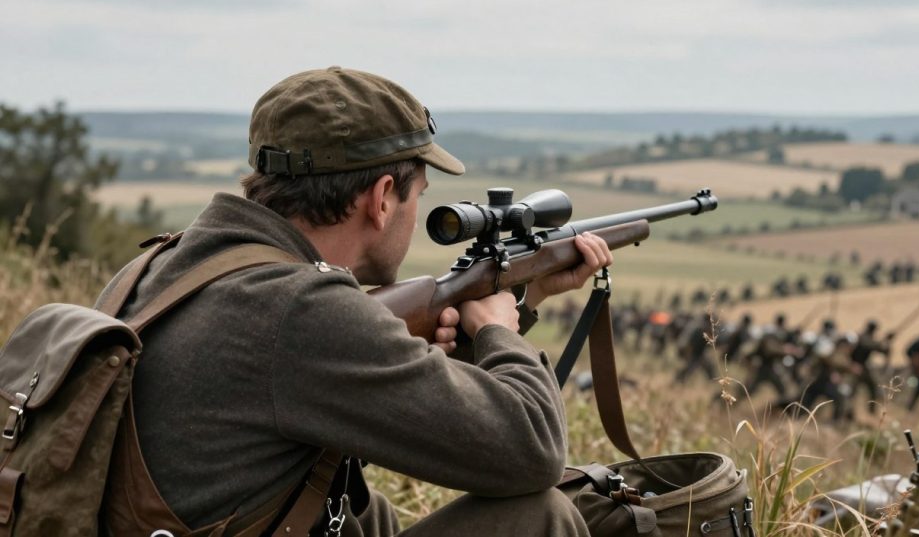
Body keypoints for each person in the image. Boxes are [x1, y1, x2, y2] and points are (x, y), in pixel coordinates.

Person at [96, 67, 613, 536]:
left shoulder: (163, 266)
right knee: (541, 516)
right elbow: (532, 451)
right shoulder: (300, 310)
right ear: (383, 197)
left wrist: (523, 296)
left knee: (366, 511)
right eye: (419, 196)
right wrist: (500, 331)